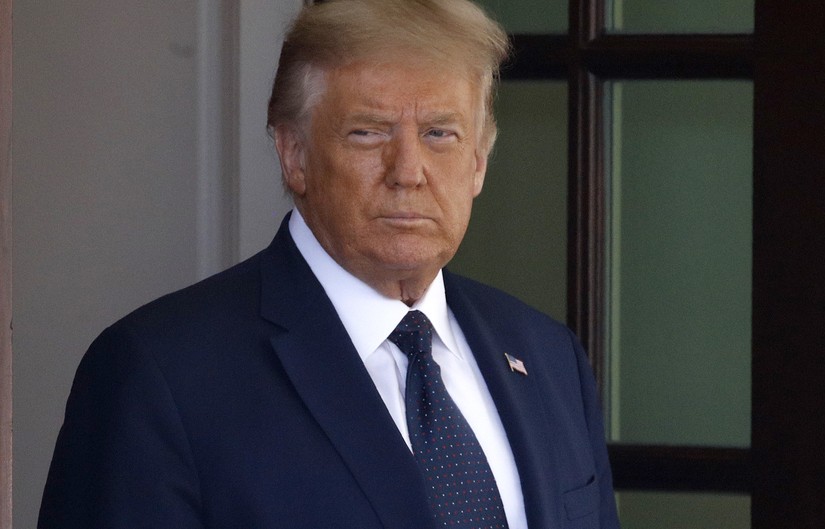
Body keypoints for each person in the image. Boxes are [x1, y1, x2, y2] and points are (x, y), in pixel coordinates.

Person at [38, 0, 620, 527]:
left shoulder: (548, 358)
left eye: (440, 133)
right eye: (369, 133)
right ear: (295, 155)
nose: (408, 171)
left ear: (478, 163)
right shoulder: (158, 375)